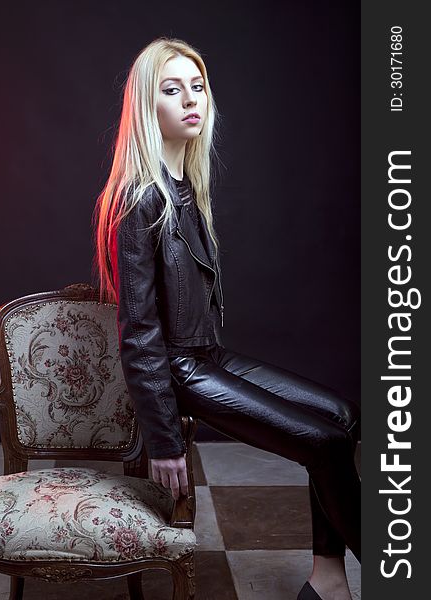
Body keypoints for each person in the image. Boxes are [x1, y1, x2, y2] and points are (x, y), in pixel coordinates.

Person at [92, 36, 360, 600]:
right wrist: (163, 440)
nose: (192, 100)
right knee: (326, 443)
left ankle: (326, 578)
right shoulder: (137, 201)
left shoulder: (187, 188)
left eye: (198, 87)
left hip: (208, 355)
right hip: (181, 371)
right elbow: (138, 335)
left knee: (342, 417)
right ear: (147, 104)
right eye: (172, 90)